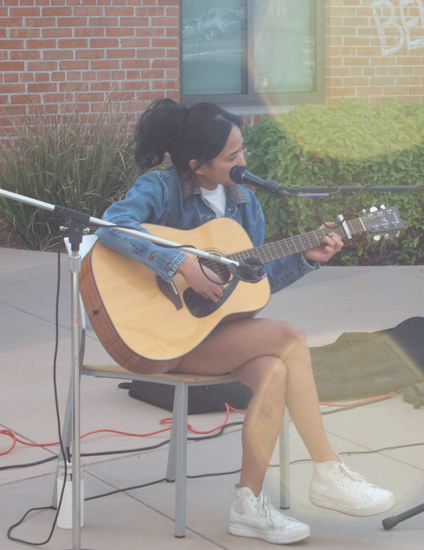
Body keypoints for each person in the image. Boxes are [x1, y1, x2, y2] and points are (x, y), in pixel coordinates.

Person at [96, 98, 395, 545]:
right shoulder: (160, 187)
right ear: (197, 164)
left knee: (274, 370)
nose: (244, 162)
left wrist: (307, 258)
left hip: (213, 334)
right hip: (159, 336)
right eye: (232, 156)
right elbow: (111, 226)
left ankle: (248, 505)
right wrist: (179, 262)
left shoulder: (245, 203)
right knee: (291, 337)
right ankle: (327, 469)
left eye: (243, 150)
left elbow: (252, 286)